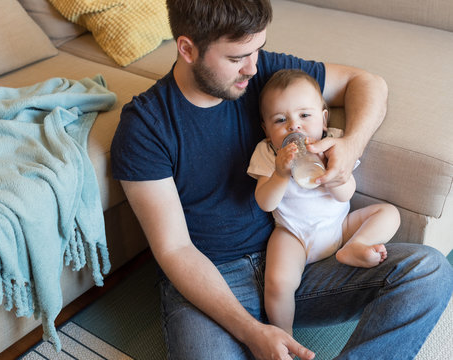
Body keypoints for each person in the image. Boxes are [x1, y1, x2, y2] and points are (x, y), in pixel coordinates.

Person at [110, 0, 453, 359]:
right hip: (213, 282)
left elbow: (367, 83)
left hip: (302, 260)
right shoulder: (145, 128)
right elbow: (174, 250)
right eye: (237, 57)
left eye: (257, 49)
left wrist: (350, 147)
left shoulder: (263, 76)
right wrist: (253, 332)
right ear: (187, 49)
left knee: (428, 273)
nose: (253, 68)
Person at [248, 69, 401, 336]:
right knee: (277, 282)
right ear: (265, 129)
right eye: (280, 119)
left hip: (340, 227)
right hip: (293, 235)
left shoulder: (334, 145)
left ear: (323, 117)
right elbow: (265, 202)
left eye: (305, 115)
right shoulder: (267, 152)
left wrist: (334, 175)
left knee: (389, 213)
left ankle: (355, 247)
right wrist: (280, 174)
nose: (294, 126)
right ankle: (284, 336)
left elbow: (346, 194)